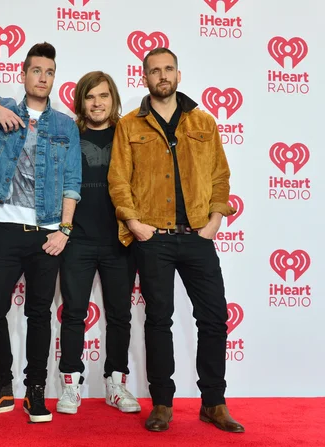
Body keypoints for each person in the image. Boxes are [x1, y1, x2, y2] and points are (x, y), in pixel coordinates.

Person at [108, 48, 245, 433]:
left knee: (214, 318)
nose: (162, 76)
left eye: (168, 69)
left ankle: (214, 403)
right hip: (153, 237)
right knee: (158, 320)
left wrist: (215, 221)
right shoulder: (130, 126)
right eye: (155, 71)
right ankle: (163, 404)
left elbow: (221, 175)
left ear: (179, 75)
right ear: (145, 77)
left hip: (198, 236)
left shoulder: (203, 121)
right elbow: (118, 180)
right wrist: (135, 224)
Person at [0, 42, 82, 423]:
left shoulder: (65, 125)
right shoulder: (4, 111)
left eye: (49, 72)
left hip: (47, 235)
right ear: (24, 73)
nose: (42, 78)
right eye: (36, 70)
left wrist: (64, 229)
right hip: (7, 229)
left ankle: (36, 391)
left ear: (53, 78)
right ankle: (1, 388)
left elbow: (72, 181)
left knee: (39, 314)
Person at [56, 71, 140, 415]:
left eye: (103, 96)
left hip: (120, 239)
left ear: (113, 99)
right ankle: (70, 386)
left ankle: (116, 384)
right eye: (90, 97)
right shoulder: (70, 136)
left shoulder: (129, 133)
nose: (97, 103)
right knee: (73, 313)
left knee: (120, 315)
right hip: (77, 239)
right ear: (81, 102)